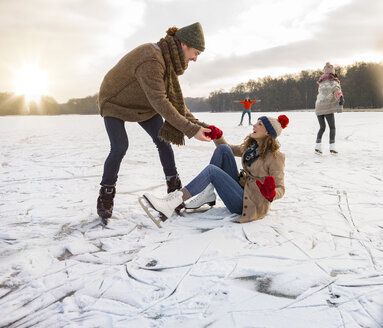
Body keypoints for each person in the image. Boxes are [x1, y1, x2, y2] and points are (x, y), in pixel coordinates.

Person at [97, 22, 219, 225]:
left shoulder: (168, 61)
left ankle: (175, 193)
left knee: (163, 141)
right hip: (115, 102)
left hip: (143, 104)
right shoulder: (152, 59)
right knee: (120, 147)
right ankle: (105, 195)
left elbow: (175, 103)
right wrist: (191, 130)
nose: (195, 59)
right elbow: (161, 102)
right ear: (183, 45)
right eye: (195, 52)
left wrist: (200, 125)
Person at [142, 115, 289, 226]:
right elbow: (229, 149)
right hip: (242, 189)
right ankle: (208, 194)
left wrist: (271, 193)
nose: (254, 125)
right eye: (256, 122)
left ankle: (173, 202)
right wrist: (218, 137)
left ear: (268, 133)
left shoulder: (275, 157)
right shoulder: (251, 148)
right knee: (223, 149)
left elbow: (280, 187)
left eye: (259, 124)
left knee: (212, 171)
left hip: (250, 203)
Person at [314, 62, 344, 154]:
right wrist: (341, 97)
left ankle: (317, 147)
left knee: (322, 127)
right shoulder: (333, 80)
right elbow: (336, 89)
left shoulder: (321, 81)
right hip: (327, 107)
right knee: (332, 127)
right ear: (332, 72)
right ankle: (332, 147)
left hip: (318, 107)